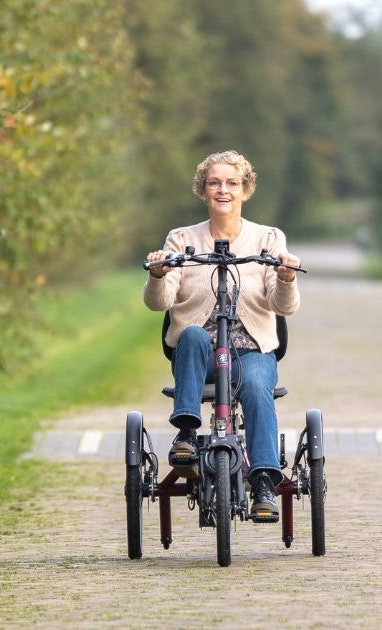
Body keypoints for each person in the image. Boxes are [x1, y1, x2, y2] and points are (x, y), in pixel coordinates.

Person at [144, 150, 301, 522]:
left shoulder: (267, 238)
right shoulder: (181, 238)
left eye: (232, 183)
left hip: (251, 349)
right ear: (203, 189)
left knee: (259, 388)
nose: (223, 190)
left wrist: (286, 277)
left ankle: (263, 482)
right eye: (214, 182)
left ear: (245, 189)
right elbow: (160, 302)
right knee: (194, 335)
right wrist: (157, 274)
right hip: (199, 353)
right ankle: (185, 434)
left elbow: (285, 306)